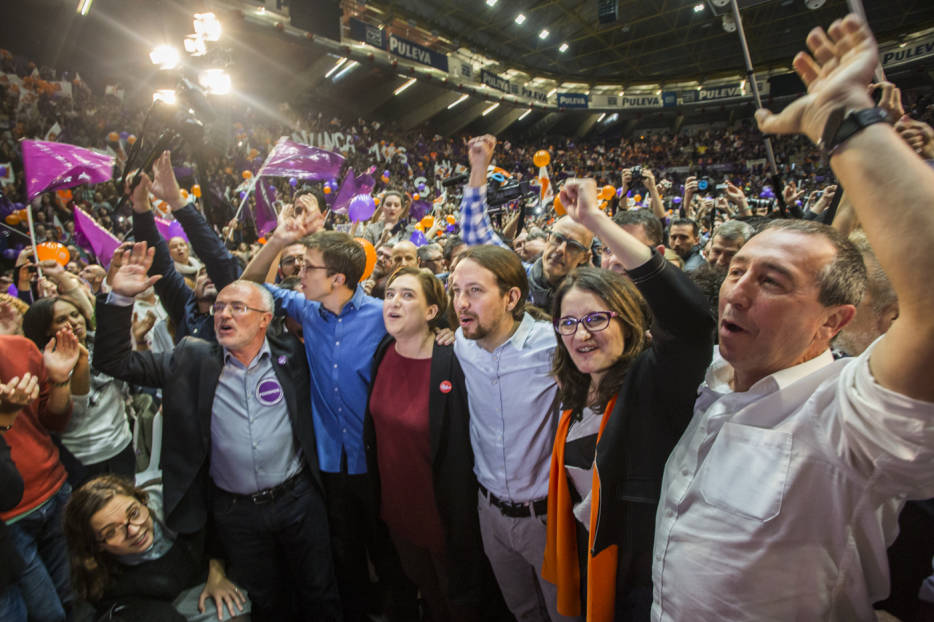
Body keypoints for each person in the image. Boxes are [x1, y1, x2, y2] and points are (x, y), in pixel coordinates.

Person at [651, 14, 934, 621]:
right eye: (737, 269)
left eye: (771, 280)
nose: (736, 292)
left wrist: (850, 124)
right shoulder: (723, 375)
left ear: (835, 323)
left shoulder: (848, 416)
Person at [93, 243, 341, 621]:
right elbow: (114, 361)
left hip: (298, 499)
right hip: (235, 513)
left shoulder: (293, 354)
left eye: (237, 307)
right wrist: (119, 298)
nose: (223, 314)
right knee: (266, 600)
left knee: (320, 592)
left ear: (264, 319)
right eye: (221, 307)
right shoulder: (191, 359)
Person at [541, 179, 714, 622]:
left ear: (628, 317)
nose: (580, 334)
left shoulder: (655, 378)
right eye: (568, 322)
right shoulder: (577, 387)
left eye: (596, 318)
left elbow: (690, 320)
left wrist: (595, 221)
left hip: (642, 575)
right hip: (588, 555)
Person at [241, 207, 415, 622]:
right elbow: (248, 285)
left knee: (390, 553)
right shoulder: (305, 309)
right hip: (328, 463)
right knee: (344, 555)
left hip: (378, 462)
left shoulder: (383, 315)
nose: (298, 274)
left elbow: (431, 334)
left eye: (308, 267)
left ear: (337, 278)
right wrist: (279, 241)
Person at [364, 266, 503, 621]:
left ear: (430, 312)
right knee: (429, 597)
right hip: (398, 514)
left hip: (445, 518)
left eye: (407, 295)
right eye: (390, 294)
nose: (394, 301)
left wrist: (452, 334)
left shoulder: (453, 358)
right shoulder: (384, 351)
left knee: (462, 604)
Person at [449, 244, 572, 622]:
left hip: (547, 519)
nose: (461, 303)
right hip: (490, 514)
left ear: (511, 297)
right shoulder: (460, 344)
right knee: (521, 612)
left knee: (566, 615)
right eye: (455, 290)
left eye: (474, 290)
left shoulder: (553, 346)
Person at [64, 474, 249, 622]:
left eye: (134, 513)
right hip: (152, 607)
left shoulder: (177, 504)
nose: (134, 530)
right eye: (111, 532)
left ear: (142, 500)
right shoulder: (97, 576)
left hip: (201, 583)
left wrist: (217, 573)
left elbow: (216, 533)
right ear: (97, 546)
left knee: (232, 609)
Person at [459, 134, 593, 311]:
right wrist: (479, 167)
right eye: (558, 239)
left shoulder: (592, 296)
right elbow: (475, 233)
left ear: (585, 256)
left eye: (573, 246)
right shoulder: (520, 274)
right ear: (548, 239)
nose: (561, 250)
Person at [0, 330, 80, 622]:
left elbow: (54, 420)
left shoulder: (20, 347)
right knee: (48, 613)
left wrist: (60, 380)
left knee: (71, 596)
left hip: (54, 489)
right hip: (9, 517)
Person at [23, 296, 134, 487]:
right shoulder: (46, 366)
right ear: (46, 329)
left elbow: (126, 388)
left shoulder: (102, 346)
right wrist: (79, 368)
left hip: (121, 444)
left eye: (75, 314)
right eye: (61, 320)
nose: (73, 322)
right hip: (84, 458)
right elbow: (71, 420)